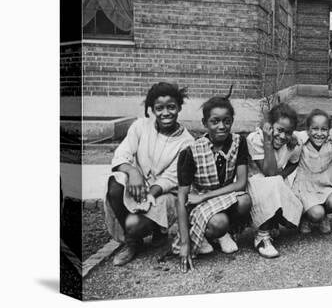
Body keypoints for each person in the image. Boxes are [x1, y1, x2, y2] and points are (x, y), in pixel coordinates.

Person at [104, 82, 195, 266]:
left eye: (171, 107)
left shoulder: (187, 142)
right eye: (159, 108)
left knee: (133, 224)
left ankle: (157, 230)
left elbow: (171, 177)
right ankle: (132, 243)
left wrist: (149, 195)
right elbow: (122, 154)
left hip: (163, 192)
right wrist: (132, 171)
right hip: (137, 185)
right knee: (116, 183)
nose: (166, 113)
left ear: (179, 107)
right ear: (152, 109)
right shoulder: (140, 126)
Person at [174, 88, 251, 272]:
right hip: (199, 203)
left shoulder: (239, 142)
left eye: (227, 121)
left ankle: (225, 234)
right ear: (205, 123)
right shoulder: (191, 151)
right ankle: (212, 234)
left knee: (245, 200)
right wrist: (185, 243)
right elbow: (182, 198)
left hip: (220, 196)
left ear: (232, 121)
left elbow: (240, 183)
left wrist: (207, 196)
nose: (221, 126)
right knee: (219, 222)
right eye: (215, 121)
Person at [246, 103, 304, 258]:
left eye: (288, 132)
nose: (283, 136)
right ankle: (261, 236)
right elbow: (269, 172)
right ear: (269, 126)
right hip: (254, 183)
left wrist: (282, 175)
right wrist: (267, 141)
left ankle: (273, 222)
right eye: (279, 130)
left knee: (280, 188)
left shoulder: (294, 141)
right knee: (272, 182)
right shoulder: (256, 139)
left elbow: (293, 163)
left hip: (275, 182)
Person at [292, 109, 332, 234]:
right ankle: (306, 216)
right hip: (306, 189)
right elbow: (291, 133)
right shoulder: (301, 143)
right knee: (316, 213)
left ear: (329, 130)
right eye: (315, 129)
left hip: (325, 187)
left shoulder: (331, 143)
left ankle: (324, 216)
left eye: (324, 129)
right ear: (308, 130)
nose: (319, 133)